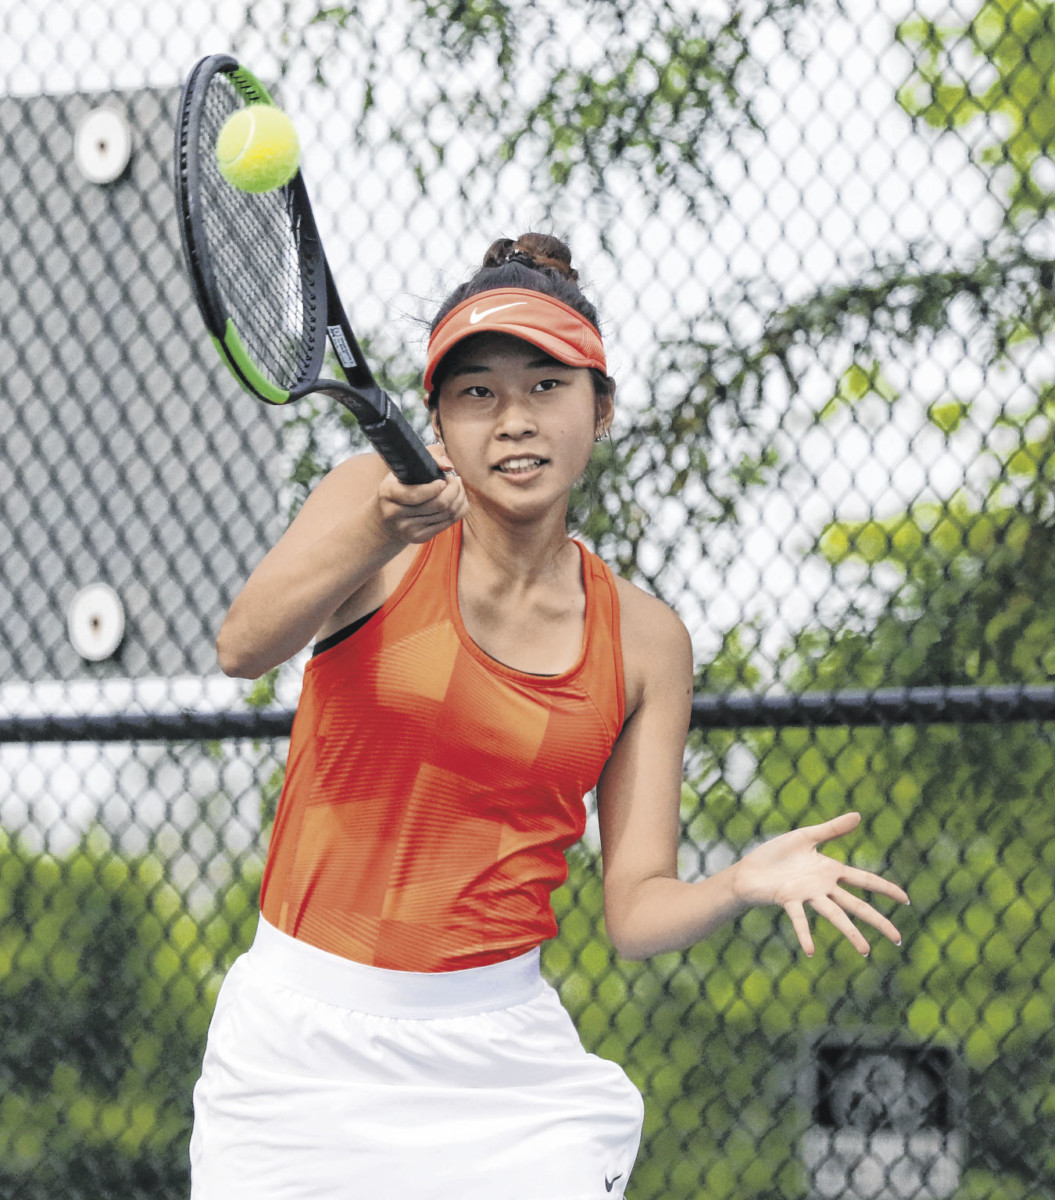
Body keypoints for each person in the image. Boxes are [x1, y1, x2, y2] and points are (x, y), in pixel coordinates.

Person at [190, 233, 909, 1199]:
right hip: (298, 1046)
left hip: (504, 1065)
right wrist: (374, 530)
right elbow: (244, 646)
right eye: (476, 393)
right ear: (438, 425)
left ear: (599, 410)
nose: (512, 420)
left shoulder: (647, 642)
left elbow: (636, 908)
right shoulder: (373, 506)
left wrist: (740, 879)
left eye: (544, 386)